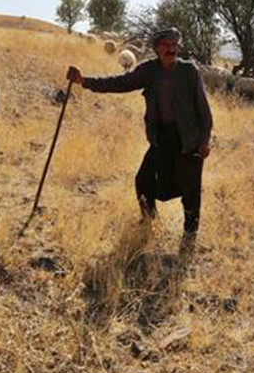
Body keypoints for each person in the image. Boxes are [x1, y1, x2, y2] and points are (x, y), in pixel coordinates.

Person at [67, 27, 213, 244]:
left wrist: (205, 139)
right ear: (157, 48)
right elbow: (120, 83)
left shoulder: (188, 71)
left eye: (174, 45)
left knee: (190, 190)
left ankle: (189, 237)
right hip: (161, 137)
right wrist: (85, 81)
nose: (171, 49)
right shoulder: (149, 71)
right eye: (166, 45)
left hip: (188, 138)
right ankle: (149, 222)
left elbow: (204, 109)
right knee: (143, 180)